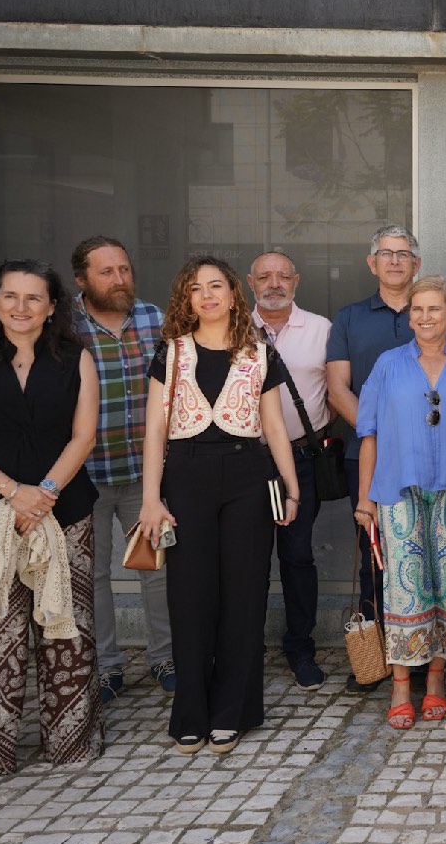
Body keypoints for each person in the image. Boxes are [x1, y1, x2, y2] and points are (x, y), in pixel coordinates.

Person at [0, 258, 103, 785]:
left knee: (65, 630)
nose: (21, 307)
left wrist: (45, 492)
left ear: (53, 306)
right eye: (11, 296)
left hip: (65, 511)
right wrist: (14, 494)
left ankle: (72, 738)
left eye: (34, 298)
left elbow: (84, 436)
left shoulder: (76, 359)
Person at [137, 257, 300, 755]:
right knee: (189, 595)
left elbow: (274, 426)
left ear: (233, 294)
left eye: (215, 286)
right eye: (195, 289)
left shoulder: (258, 352)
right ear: (186, 300)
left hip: (249, 475)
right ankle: (191, 711)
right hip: (185, 475)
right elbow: (154, 431)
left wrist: (291, 488)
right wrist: (150, 500)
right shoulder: (171, 352)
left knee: (244, 593)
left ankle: (233, 709)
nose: (206, 295)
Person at [355, 276, 446, 729]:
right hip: (397, 490)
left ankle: (435, 685)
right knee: (406, 589)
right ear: (409, 317)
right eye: (417, 310)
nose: (425, 317)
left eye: (434, 309)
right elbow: (368, 434)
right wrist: (365, 499)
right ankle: (400, 687)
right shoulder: (387, 365)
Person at [71, 236, 175, 703]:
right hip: (84, 475)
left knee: (157, 570)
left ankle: (166, 658)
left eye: (125, 270)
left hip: (144, 474)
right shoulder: (64, 327)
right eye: (107, 272)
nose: (120, 280)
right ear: (82, 280)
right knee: (91, 575)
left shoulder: (156, 319)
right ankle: (106, 667)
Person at [327, 225, 426, 694]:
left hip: (426, 457)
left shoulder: (435, 315)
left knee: (422, 549)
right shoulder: (348, 319)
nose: (394, 261)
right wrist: (377, 432)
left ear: (416, 265)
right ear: (371, 263)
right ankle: (378, 657)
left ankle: (423, 655)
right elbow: (337, 388)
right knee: (374, 555)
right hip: (364, 454)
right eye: (385, 254)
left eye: (403, 254)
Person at [248, 251, 332, 691]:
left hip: (301, 459)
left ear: (296, 281)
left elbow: (337, 392)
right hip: (246, 462)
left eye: (283, 276)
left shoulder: (320, 330)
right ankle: (247, 650)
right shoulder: (232, 331)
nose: (274, 283)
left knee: (297, 556)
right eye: (265, 276)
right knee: (248, 559)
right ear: (250, 282)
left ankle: (300, 647)